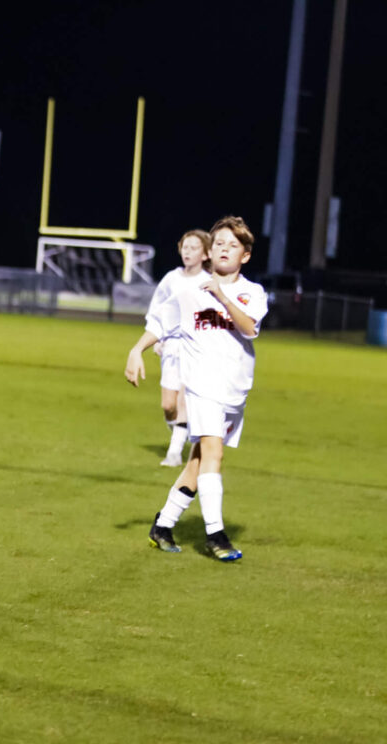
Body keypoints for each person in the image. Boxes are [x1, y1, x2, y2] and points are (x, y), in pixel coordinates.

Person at [124, 216, 268, 562]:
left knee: (199, 461)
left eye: (232, 245)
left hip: (234, 389)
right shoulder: (188, 292)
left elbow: (249, 328)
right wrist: (136, 349)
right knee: (213, 454)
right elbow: (160, 322)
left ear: (244, 256)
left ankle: (163, 525)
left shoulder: (252, 293)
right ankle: (215, 535)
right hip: (202, 386)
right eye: (218, 243)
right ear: (210, 250)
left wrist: (221, 295)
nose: (223, 249)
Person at [146, 229, 212, 467]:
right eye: (185, 247)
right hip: (171, 346)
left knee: (184, 401)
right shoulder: (172, 279)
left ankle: (174, 453)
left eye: (194, 248)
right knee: (168, 405)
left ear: (205, 254)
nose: (188, 251)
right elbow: (157, 309)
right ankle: (180, 430)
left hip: (194, 347)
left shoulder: (208, 283)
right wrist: (157, 338)